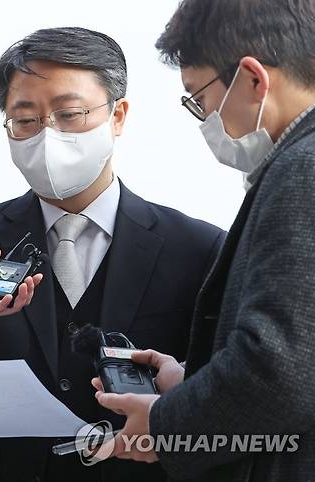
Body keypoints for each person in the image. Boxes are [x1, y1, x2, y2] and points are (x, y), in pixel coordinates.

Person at [0, 27, 225, 482]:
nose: (47, 136)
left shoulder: (198, 250)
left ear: (118, 115)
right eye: (25, 120)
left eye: (69, 113)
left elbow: (216, 397)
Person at [90, 1, 315, 481]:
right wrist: (193, 377)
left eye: (198, 97)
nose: (204, 116)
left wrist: (163, 424)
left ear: (253, 79)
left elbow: (278, 374)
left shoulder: (303, 170)